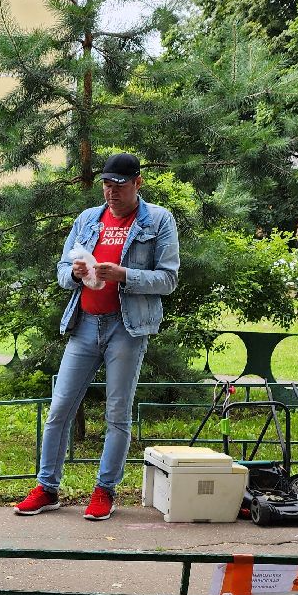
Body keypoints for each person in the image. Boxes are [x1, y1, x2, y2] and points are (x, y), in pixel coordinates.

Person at [15, 153, 180, 521]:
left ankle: (105, 491)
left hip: (127, 327)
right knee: (59, 409)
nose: (111, 191)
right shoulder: (88, 219)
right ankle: (47, 488)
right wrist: (75, 275)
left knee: (117, 413)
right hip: (85, 323)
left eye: (119, 185)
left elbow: (168, 279)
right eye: (107, 184)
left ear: (137, 183)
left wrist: (123, 274)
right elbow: (60, 270)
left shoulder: (159, 221)